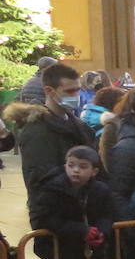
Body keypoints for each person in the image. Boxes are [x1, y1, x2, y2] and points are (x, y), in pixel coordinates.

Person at [10, 62, 97, 191]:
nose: (76, 96)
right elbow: (39, 180)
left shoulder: (82, 127)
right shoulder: (36, 131)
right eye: (70, 91)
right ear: (49, 91)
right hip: (54, 206)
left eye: (78, 90)